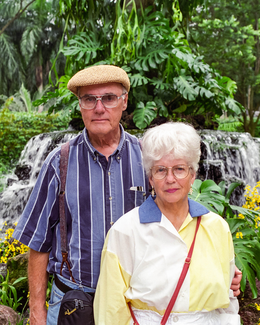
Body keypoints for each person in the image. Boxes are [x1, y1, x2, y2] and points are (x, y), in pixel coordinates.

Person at [12, 65, 241, 325]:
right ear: (80, 106)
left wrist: (221, 270)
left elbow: (179, 221)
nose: (99, 108)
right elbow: (38, 242)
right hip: (73, 304)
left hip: (133, 307)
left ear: (124, 102)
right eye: (89, 99)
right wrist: (37, 312)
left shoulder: (149, 159)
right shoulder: (59, 162)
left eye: (109, 98)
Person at [94, 122, 240, 325]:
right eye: (161, 170)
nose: (170, 179)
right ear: (151, 178)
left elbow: (229, 303)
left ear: (193, 175)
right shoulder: (125, 231)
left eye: (179, 169)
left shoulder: (217, 227)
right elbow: (110, 310)